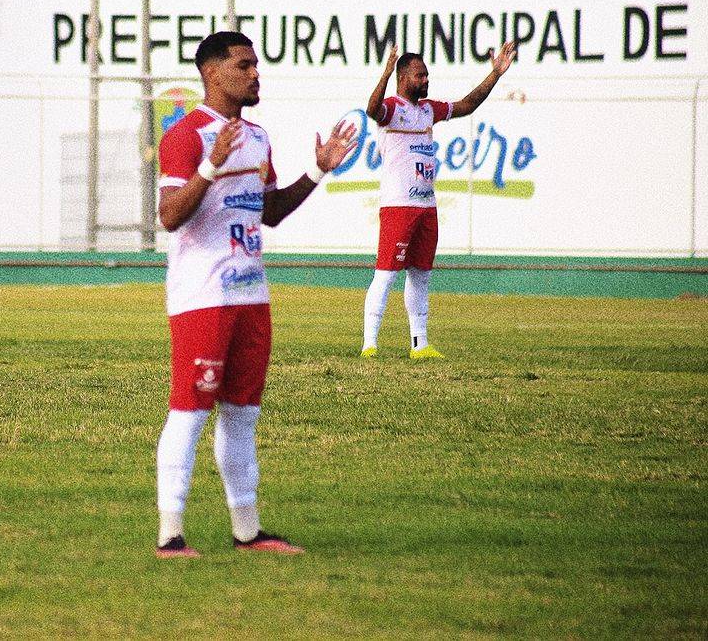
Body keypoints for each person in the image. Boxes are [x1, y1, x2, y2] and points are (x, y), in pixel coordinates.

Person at [154, 31, 359, 558]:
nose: (254, 74)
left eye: (255, 65)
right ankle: (171, 535)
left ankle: (248, 531)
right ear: (211, 73)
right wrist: (208, 167)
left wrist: (318, 170)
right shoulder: (186, 136)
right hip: (202, 297)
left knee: (242, 413)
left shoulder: (259, 138)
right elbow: (170, 216)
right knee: (192, 410)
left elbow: (269, 211)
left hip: (252, 294)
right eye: (243, 66)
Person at [360, 42, 516, 359]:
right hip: (398, 206)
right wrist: (385, 73)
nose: (426, 80)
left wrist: (495, 74)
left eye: (427, 75)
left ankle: (420, 343)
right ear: (403, 78)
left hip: (426, 206)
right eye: (420, 75)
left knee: (420, 274)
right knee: (386, 273)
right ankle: (370, 344)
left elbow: (468, 104)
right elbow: (371, 110)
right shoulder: (392, 108)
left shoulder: (429, 109)